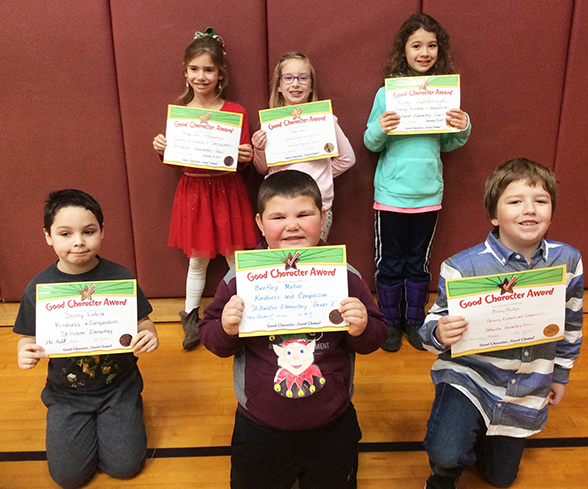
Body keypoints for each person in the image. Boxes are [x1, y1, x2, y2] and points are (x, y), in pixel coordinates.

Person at [199, 170, 388, 488]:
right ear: (259, 223)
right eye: (278, 216)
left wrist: (363, 327)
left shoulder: (344, 275)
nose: (292, 225)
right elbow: (211, 338)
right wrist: (226, 329)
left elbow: (375, 337)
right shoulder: (238, 280)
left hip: (332, 421)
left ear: (323, 216)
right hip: (259, 425)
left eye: (304, 214)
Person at [419, 158, 584, 488]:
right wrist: (438, 331)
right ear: (494, 215)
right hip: (470, 376)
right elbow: (429, 330)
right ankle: (443, 470)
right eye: (515, 201)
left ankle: (476, 432)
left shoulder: (568, 260)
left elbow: (571, 325)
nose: (530, 210)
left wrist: (560, 375)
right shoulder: (462, 266)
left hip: (527, 385)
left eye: (540, 201)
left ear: (551, 210)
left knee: (500, 478)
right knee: (448, 455)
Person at [14, 189, 159, 489]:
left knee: (125, 467)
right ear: (48, 236)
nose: (78, 241)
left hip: (118, 387)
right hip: (66, 394)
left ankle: (121, 418)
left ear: (102, 232)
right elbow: (27, 337)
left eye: (88, 231)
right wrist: (24, 352)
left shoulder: (120, 277)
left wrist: (149, 335)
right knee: (68, 478)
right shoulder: (39, 287)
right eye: (65, 233)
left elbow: (144, 323)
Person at [364, 13, 471, 352]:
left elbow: (450, 143)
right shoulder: (387, 94)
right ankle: (390, 322)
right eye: (416, 46)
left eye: (431, 46)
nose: (424, 52)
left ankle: (414, 320)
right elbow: (370, 142)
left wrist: (462, 124)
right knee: (390, 263)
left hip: (428, 195)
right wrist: (381, 126)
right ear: (404, 50)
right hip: (392, 196)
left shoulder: (443, 92)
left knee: (418, 264)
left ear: (439, 51)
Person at [153, 28, 257, 350]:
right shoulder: (180, 114)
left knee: (234, 258)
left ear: (220, 74)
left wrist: (246, 157)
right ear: (185, 73)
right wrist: (163, 150)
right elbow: (177, 162)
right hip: (194, 192)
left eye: (208, 69)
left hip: (227, 191)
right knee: (197, 261)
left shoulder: (236, 112)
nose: (201, 76)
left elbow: (238, 161)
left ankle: (247, 312)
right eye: (195, 69)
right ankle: (190, 317)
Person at [251, 52, 356, 241]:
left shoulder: (326, 121)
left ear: (311, 86)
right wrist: (258, 149)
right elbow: (263, 169)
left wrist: (321, 175)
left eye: (303, 78)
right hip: (278, 205)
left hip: (316, 206)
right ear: (279, 86)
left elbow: (347, 158)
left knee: (310, 261)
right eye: (288, 78)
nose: (296, 84)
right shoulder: (270, 125)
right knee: (282, 262)